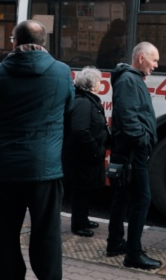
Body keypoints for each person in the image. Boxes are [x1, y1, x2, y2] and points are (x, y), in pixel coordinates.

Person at [0, 20, 74, 280]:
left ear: (14, 42)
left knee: (5, 236)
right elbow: (69, 106)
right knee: (47, 233)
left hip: (4, 171)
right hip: (45, 169)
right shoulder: (62, 72)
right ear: (43, 43)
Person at [106, 41, 161, 269]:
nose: (156, 65)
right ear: (140, 58)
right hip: (133, 152)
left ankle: (116, 243)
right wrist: (143, 141)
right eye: (154, 60)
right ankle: (133, 254)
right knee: (142, 199)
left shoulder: (130, 78)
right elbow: (128, 119)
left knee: (123, 196)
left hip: (128, 151)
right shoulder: (130, 80)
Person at [63, 66, 109, 238]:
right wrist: (96, 150)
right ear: (92, 84)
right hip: (81, 157)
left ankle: (83, 219)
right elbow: (80, 131)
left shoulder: (87, 100)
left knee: (85, 191)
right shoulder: (83, 102)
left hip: (85, 156)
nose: (101, 84)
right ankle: (78, 225)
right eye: (99, 81)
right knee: (80, 191)